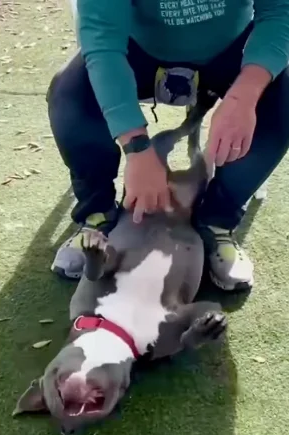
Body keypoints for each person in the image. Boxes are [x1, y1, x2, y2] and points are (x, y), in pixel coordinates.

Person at [49, 0, 289, 290]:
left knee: (282, 101)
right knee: (71, 95)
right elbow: (103, 40)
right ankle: (96, 213)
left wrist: (245, 94)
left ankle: (218, 220)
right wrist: (136, 147)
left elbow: (280, 10)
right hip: (138, 48)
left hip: (232, 47)